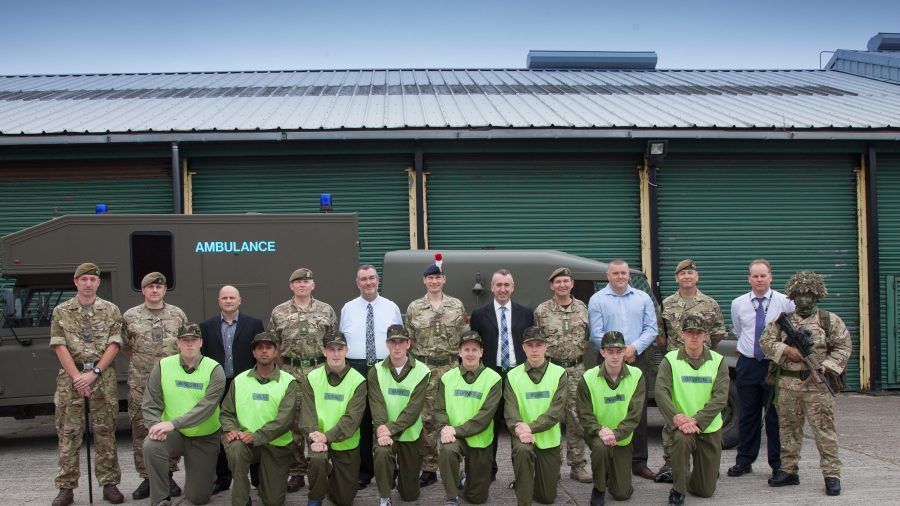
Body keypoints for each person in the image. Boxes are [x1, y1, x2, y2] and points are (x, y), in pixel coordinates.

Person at [760, 271, 852, 497]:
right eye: (799, 294)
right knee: (788, 431)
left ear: (817, 296)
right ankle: (788, 471)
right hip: (788, 386)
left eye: (809, 294)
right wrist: (786, 350)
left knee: (825, 432)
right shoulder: (782, 322)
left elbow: (843, 347)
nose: (803, 299)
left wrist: (827, 366)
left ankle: (832, 474)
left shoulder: (828, 321)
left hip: (817, 386)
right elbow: (765, 342)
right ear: (792, 295)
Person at [50, 262, 124, 506]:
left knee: (105, 432)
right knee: (68, 434)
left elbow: (115, 344)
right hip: (71, 378)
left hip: (102, 376)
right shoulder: (61, 311)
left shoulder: (111, 310)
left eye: (92, 280)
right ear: (76, 282)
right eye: (84, 280)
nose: (88, 284)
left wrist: (94, 373)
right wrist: (77, 377)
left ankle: (110, 484)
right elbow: (59, 345)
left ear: (98, 283)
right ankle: (66, 487)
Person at [654, 259, 725, 483]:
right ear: (677, 278)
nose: (686, 277)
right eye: (682, 274)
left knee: (705, 409)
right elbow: (660, 335)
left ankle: (707, 463)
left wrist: (702, 350)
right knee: (673, 412)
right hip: (676, 364)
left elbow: (718, 332)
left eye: (690, 273)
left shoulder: (710, 303)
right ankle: (671, 462)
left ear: (697, 277)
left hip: (702, 362)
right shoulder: (667, 303)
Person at [588, 259, 658, 480]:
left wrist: (633, 348)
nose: (620, 277)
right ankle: (610, 456)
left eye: (624, 273)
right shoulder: (597, 300)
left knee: (638, 410)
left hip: (637, 358)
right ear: (608, 276)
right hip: (609, 360)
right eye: (615, 273)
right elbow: (596, 334)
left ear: (629, 276)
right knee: (608, 408)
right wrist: (616, 351)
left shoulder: (642, 298)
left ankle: (638, 462)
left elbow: (651, 329)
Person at [269, 267, 338, 493]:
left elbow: (332, 343)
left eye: (306, 281)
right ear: (291, 286)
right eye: (297, 282)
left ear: (312, 285)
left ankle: (322, 466)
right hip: (291, 371)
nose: (302, 285)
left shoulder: (325, 310)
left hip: (319, 370)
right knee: (295, 422)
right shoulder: (279, 312)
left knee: (320, 419)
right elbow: (275, 345)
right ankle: (297, 471)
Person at [141, 323, 225, 506]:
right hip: (174, 434)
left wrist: (173, 423)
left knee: (198, 498)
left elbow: (206, 408)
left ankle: (203, 478)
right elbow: (150, 402)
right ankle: (161, 498)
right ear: (178, 343)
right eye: (185, 340)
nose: (189, 344)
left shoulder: (215, 369)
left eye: (193, 340)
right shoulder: (163, 366)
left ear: (201, 343)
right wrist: (154, 425)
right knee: (151, 444)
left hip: (204, 437)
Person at [122, 272, 188, 500]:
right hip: (141, 383)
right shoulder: (130, 316)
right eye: (150, 287)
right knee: (141, 429)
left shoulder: (177, 314)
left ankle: (168, 475)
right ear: (143, 290)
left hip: (170, 385)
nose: (154, 291)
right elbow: (125, 346)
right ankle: (147, 478)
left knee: (168, 428)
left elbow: (185, 345)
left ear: (164, 290)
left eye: (159, 287)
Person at [727, 259, 794, 480]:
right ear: (749, 279)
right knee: (748, 415)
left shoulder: (785, 302)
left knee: (775, 417)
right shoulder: (738, 303)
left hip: (774, 365)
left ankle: (777, 465)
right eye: (755, 276)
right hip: (748, 363)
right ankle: (744, 461)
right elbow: (739, 330)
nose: (759, 280)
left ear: (770, 277)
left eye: (763, 275)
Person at [405, 259, 468, 488]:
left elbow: (464, 336)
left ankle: (455, 465)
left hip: (451, 367)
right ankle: (429, 467)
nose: (434, 281)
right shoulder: (414, 308)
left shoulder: (456, 305)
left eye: (438, 277)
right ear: (424, 280)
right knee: (428, 419)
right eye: (430, 278)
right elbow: (408, 341)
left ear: (444, 279)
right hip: (426, 368)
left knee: (453, 417)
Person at [339, 264, 402, 489]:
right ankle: (365, 471)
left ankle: (390, 469)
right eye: (363, 279)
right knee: (362, 419)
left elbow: (399, 340)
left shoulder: (391, 307)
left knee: (386, 416)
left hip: (384, 367)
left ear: (378, 281)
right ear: (358, 283)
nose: (368, 283)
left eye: (372, 278)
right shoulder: (347, 308)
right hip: (356, 368)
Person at [655, 315, 729, 506]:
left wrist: (695, 420)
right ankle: (678, 489)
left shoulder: (718, 361)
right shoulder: (670, 360)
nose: (694, 337)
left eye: (698, 333)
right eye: (690, 333)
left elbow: (720, 397)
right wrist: (677, 418)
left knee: (705, 491)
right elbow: (661, 392)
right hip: (681, 427)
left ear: (705, 335)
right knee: (680, 440)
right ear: (682, 335)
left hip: (708, 427)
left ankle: (697, 474)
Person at [469, 269, 534, 481]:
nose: (503, 289)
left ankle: (522, 472)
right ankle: (489, 469)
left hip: (518, 375)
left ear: (513, 287)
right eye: (499, 285)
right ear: (492, 288)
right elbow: (475, 346)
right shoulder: (479, 314)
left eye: (507, 285)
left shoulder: (526, 313)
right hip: (491, 375)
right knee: (489, 424)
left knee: (519, 422)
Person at [200, 285, 265, 495]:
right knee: (223, 429)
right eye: (224, 298)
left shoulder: (254, 324)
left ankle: (257, 476)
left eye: (232, 297)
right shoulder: (207, 326)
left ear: (239, 300)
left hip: (246, 383)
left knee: (251, 425)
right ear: (219, 301)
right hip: (219, 384)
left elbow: (261, 353)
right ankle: (223, 477)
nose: (228, 301)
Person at [221, 331, 298, 506]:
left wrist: (256, 436)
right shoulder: (239, 380)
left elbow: (285, 420)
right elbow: (226, 412)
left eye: (268, 347)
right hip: (244, 441)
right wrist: (231, 429)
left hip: (276, 445)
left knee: (273, 501)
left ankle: (265, 483)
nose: (264, 351)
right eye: (259, 348)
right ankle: (241, 498)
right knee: (235, 447)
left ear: (276, 352)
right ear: (254, 353)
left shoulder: (289, 382)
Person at [533, 266, 591, 483]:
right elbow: (537, 341)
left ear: (572, 284)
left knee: (577, 418)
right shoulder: (542, 310)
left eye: (566, 281)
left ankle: (577, 466)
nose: (562, 285)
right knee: (550, 417)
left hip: (576, 369)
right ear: (551, 286)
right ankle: (551, 465)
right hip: (552, 370)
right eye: (558, 282)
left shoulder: (582, 308)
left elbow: (587, 336)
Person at [577, 331, 646, 506]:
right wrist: (600, 430)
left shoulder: (636, 375)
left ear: (625, 352)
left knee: (622, 494)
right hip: (598, 435)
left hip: (622, 438)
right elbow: (584, 413)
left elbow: (635, 414)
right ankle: (599, 488)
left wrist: (616, 433)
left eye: (618, 351)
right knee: (601, 449)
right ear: (602, 352)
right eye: (610, 351)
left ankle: (611, 474)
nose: (615, 356)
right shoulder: (588, 377)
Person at [301, 330, 368, 506]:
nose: (336, 354)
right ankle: (315, 497)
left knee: (343, 500)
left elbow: (352, 420)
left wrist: (327, 436)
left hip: (345, 443)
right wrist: (315, 436)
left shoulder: (358, 380)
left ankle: (330, 476)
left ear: (347, 350)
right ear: (324, 351)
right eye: (331, 349)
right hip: (318, 440)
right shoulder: (313, 377)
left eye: (340, 348)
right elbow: (308, 414)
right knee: (317, 459)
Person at [436, 330, 502, 506]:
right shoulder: (447, 378)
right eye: (466, 349)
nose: (470, 354)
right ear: (459, 352)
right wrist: (444, 429)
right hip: (455, 438)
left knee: (477, 498)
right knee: (447, 451)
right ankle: (451, 496)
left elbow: (484, 417)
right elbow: (439, 409)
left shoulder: (494, 379)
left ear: (481, 352)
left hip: (480, 438)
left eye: (475, 349)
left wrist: (455, 429)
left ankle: (464, 481)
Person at [368, 324, 431, 506]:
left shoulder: (422, 371)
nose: (397, 347)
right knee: (381, 452)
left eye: (401, 342)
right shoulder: (376, 371)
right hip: (383, 432)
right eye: (393, 342)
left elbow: (413, 410)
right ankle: (385, 496)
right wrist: (382, 429)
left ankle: (402, 479)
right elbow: (377, 404)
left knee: (410, 495)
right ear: (387, 344)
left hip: (410, 434)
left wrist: (389, 428)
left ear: (408, 344)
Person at [504, 326, 567, 506]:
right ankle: (523, 495)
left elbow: (556, 411)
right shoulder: (513, 376)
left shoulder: (559, 373)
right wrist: (521, 430)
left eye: (539, 344)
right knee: (523, 451)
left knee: (547, 498)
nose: (534, 349)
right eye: (530, 345)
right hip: (522, 436)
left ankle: (530, 482)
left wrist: (530, 427)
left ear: (546, 346)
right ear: (523, 347)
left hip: (548, 440)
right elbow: (510, 410)